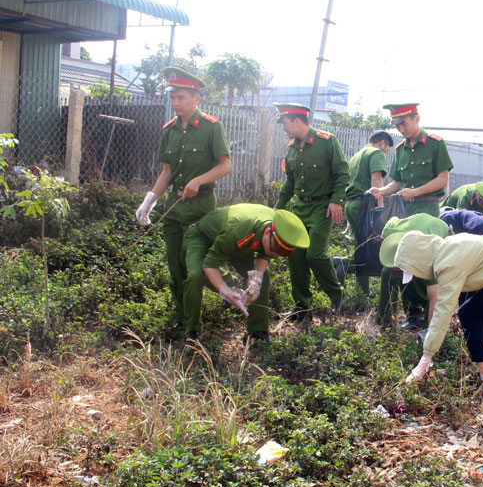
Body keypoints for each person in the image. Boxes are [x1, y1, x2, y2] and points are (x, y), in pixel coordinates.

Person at [382, 231, 483, 390]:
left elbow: (443, 310)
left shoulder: (447, 263)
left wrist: (425, 358)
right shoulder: (447, 247)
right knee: (482, 323)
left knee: (468, 314)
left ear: (420, 260)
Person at [135, 67, 231, 335]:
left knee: (195, 270)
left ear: (195, 98)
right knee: (175, 269)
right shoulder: (170, 130)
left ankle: (200, 321)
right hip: (174, 210)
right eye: (172, 98)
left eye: (181, 98)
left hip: (200, 209)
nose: (175, 103)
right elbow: (166, 172)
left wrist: (198, 180)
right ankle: (182, 317)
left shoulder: (212, 127)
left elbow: (225, 166)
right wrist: (150, 201)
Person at [182, 204, 309, 341]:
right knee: (196, 275)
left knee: (263, 276)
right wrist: (226, 291)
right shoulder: (238, 230)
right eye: (273, 250)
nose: (274, 255)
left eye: (279, 254)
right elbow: (210, 264)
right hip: (204, 237)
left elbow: (264, 255)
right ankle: (191, 332)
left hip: (238, 245)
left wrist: (256, 282)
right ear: (267, 233)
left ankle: (257, 331)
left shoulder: (276, 228)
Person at [274, 103, 348, 318]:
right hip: (300, 208)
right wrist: (278, 207)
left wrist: (336, 200)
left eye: (285, 123)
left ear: (298, 121)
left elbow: (342, 173)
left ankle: (337, 295)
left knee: (315, 255)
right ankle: (302, 306)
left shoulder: (327, 142)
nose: (284, 128)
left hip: (322, 208)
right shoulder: (292, 148)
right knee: (295, 256)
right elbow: (290, 181)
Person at [368, 103, 453, 216]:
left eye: (404, 124)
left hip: (427, 209)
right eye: (397, 126)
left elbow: (442, 179)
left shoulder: (435, 144)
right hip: (405, 210)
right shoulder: (400, 150)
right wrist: (381, 191)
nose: (401, 130)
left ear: (417, 119)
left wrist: (415, 192)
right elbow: (397, 183)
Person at [335, 131, 393, 296]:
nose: (385, 152)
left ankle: (363, 293)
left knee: (362, 247)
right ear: (383, 143)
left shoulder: (356, 156)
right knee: (371, 249)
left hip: (352, 204)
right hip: (365, 205)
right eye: (387, 149)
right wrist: (380, 207)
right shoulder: (376, 152)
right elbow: (376, 179)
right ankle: (345, 264)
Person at [376, 213, 450, 329]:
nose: (398, 275)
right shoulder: (388, 233)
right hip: (417, 229)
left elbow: (435, 297)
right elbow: (393, 219)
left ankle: (424, 316)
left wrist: (428, 334)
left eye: (400, 271)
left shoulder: (429, 249)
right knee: (386, 273)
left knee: (426, 282)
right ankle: (387, 320)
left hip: (439, 235)